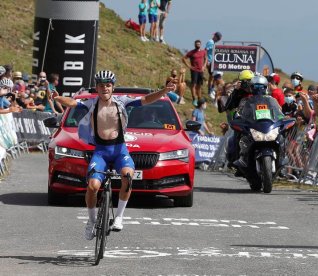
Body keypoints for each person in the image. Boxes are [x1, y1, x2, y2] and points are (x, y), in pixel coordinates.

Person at [54, 70, 176, 240]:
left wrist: (164, 91)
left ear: (113, 87)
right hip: (101, 152)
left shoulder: (122, 102)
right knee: (92, 187)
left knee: (128, 176)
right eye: (101, 85)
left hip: (119, 151)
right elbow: (72, 103)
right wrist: (58, 98)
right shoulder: (91, 103)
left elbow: (146, 99)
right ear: (97, 87)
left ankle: (119, 217)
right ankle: (91, 221)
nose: (105, 88)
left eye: (108, 85)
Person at [182, 40, 207, 106]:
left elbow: (206, 59)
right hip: (194, 71)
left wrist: (204, 66)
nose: (198, 45)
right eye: (196, 44)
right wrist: (189, 66)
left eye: (199, 44)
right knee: (193, 85)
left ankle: (199, 99)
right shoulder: (191, 52)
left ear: (200, 45)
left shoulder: (203, 51)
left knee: (199, 85)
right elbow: (184, 58)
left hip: (201, 71)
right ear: (194, 45)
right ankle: (194, 99)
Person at [205, 32, 222, 98]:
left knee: (212, 76)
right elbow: (205, 51)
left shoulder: (213, 43)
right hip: (209, 61)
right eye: (218, 39)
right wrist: (206, 61)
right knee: (212, 76)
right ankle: (210, 90)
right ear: (215, 37)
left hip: (213, 62)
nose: (218, 40)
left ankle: (211, 89)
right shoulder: (210, 42)